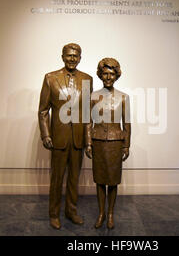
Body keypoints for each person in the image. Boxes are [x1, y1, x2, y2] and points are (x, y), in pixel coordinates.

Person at [38, 43, 93, 229]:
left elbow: (87, 114)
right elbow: (43, 110)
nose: (72, 59)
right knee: (57, 178)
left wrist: (88, 141)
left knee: (74, 177)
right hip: (58, 138)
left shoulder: (87, 79)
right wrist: (45, 135)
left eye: (75, 56)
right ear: (62, 56)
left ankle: (71, 210)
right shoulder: (50, 78)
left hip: (77, 138)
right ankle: (54, 213)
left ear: (80, 58)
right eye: (69, 55)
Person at [85, 58, 131, 229]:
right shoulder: (92, 97)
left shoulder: (124, 98)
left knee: (112, 181)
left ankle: (110, 213)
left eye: (112, 74)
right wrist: (88, 143)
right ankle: (101, 213)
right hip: (97, 142)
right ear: (100, 75)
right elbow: (87, 122)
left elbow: (127, 123)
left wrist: (126, 145)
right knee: (99, 180)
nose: (108, 77)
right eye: (105, 73)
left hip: (115, 143)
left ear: (117, 75)